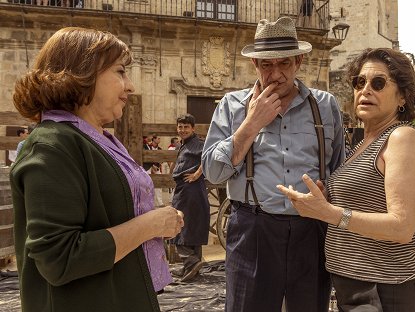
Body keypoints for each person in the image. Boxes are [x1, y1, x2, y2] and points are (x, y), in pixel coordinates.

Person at [10, 27, 184, 312]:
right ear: (82, 74)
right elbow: (60, 259)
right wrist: (150, 225)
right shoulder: (52, 145)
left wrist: (159, 221)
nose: (129, 86)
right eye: (120, 72)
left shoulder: (96, 138)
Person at [202, 17, 345, 312]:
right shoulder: (231, 106)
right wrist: (251, 123)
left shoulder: (326, 105)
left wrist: (327, 193)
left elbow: (338, 169)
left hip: (311, 230)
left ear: (299, 61)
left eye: (284, 64)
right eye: (267, 64)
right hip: (253, 228)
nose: (276, 73)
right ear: (255, 65)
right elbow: (213, 173)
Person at [278, 48, 415, 312]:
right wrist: (325, 198)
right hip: (355, 285)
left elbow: (402, 227)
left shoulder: (402, 138)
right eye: (360, 82)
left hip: (385, 288)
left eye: (378, 83)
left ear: (402, 96)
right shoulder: (361, 144)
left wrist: (330, 212)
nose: (365, 90)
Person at [170, 114, 210, 282]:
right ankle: (191, 268)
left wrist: (196, 174)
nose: (183, 130)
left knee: (177, 223)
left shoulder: (199, 144)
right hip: (187, 190)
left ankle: (192, 262)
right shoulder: (184, 145)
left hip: (190, 190)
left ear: (193, 128)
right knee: (192, 225)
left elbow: (209, 157)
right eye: (180, 127)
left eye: (186, 127)